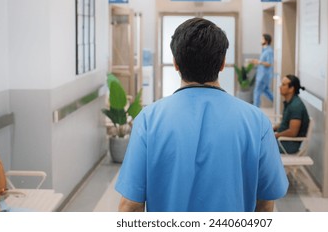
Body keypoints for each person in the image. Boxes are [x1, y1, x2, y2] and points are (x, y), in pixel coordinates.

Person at [115, 18, 288, 212]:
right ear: (223, 63)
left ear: (175, 63)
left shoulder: (148, 120)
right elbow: (265, 205)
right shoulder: (257, 122)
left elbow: (130, 206)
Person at [274, 75, 310, 154]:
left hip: (288, 145)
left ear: (291, 89)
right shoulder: (289, 103)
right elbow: (285, 123)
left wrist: (275, 136)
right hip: (282, 141)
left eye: (283, 85)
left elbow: (292, 132)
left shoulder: (296, 106)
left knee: (257, 146)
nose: (280, 87)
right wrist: (272, 129)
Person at [251, 34, 274, 107]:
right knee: (266, 91)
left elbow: (269, 63)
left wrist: (259, 62)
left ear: (266, 41)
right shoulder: (264, 50)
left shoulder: (269, 51)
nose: (261, 40)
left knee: (257, 92)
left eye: (262, 39)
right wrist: (258, 62)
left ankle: (255, 109)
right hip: (261, 75)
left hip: (263, 76)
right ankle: (279, 104)